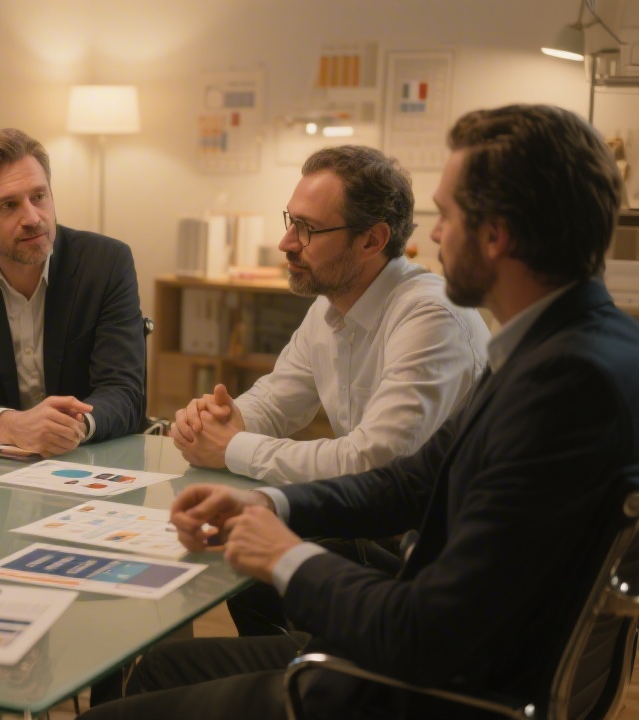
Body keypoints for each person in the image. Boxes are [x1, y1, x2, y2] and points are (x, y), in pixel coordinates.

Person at [82, 105, 639, 720]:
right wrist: (271, 504)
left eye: (447, 216)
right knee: (162, 668)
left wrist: (284, 554)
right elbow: (415, 478)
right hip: (438, 662)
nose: (430, 239)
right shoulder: (572, 347)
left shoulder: (563, 389)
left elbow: (422, 630)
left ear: (496, 234)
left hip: (424, 693)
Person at [172, 145, 489, 485]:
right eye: (291, 221)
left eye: (307, 227)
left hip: (428, 532)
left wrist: (233, 447)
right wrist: (217, 421)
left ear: (371, 241)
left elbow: (374, 460)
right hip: (369, 521)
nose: (286, 243)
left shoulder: (431, 316)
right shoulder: (331, 303)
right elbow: (274, 402)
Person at [0, 128, 145, 456]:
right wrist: (10, 425)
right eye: (8, 205)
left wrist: (67, 428)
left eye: (39, 196)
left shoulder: (106, 264)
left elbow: (125, 393)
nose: (33, 218)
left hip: (87, 463)